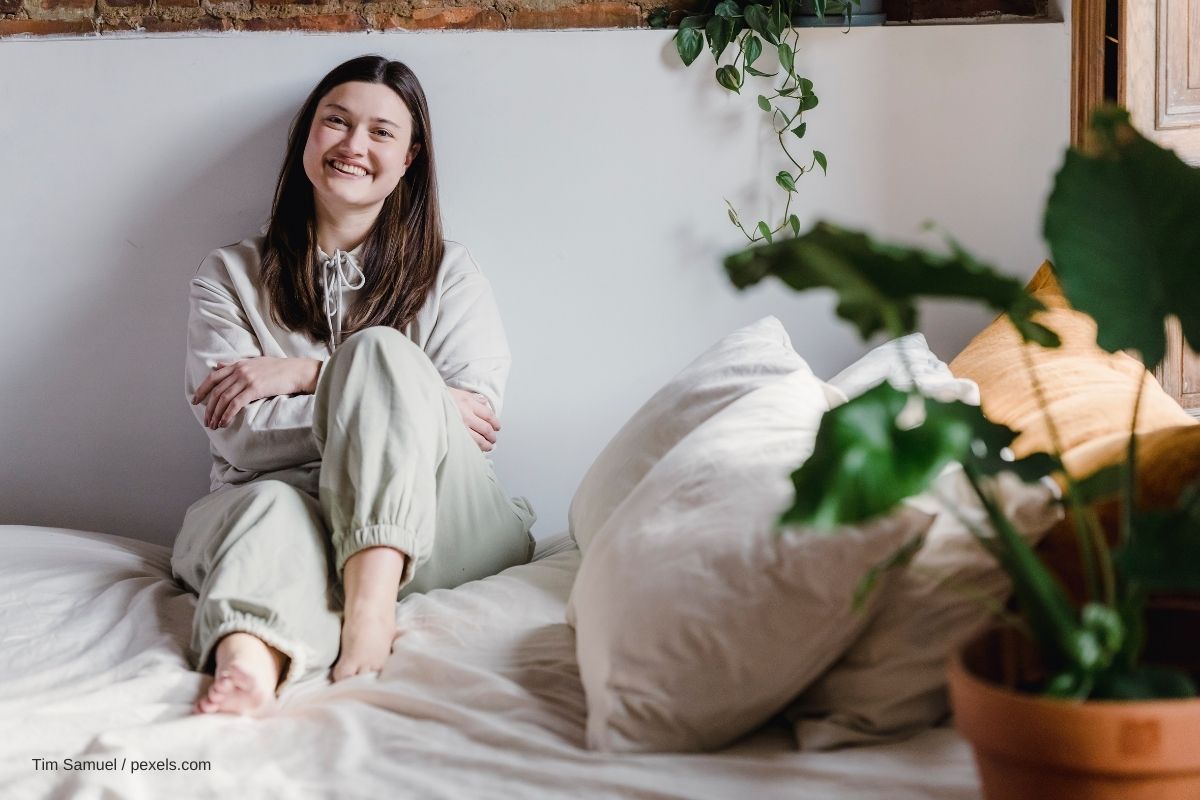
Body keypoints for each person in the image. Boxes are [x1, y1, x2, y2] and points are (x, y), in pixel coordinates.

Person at [172, 55, 536, 716]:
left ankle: (369, 609)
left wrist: (312, 374)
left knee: (379, 350)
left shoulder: (451, 273)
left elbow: (475, 422)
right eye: (336, 122)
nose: (353, 146)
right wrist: (397, 404)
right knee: (267, 509)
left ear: (410, 158)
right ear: (307, 136)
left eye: (380, 132)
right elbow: (241, 437)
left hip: (441, 521)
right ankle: (248, 661)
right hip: (285, 503)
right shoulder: (228, 276)